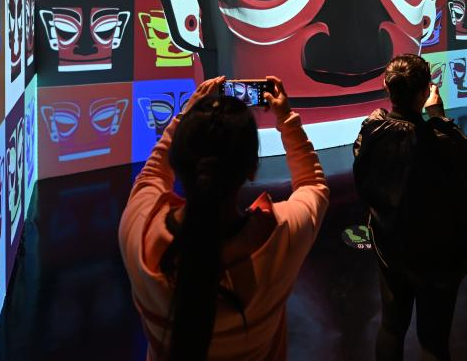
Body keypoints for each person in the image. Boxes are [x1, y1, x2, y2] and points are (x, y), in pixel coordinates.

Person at [119, 75, 329, 360]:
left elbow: (152, 174)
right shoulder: (280, 235)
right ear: (252, 169)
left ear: (178, 162)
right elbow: (313, 186)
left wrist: (184, 116)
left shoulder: (139, 229)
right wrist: (286, 120)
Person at [353, 54, 467, 361]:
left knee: (391, 327)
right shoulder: (444, 140)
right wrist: (438, 116)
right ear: (426, 92)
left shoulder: (372, 129)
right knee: (433, 340)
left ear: (387, 88)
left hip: (390, 246)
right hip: (439, 257)